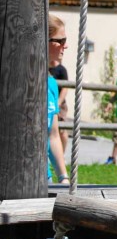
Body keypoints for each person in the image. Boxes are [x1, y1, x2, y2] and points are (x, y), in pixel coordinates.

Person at [47, 15, 70, 184]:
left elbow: (53, 136)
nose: (65, 45)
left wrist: (63, 177)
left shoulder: (52, 84)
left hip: (42, 176)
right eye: (60, 41)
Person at [49, 55, 70, 153]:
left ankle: (62, 154)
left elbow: (65, 88)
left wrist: (58, 102)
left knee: (62, 131)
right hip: (49, 102)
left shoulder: (61, 70)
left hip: (59, 104)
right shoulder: (47, 69)